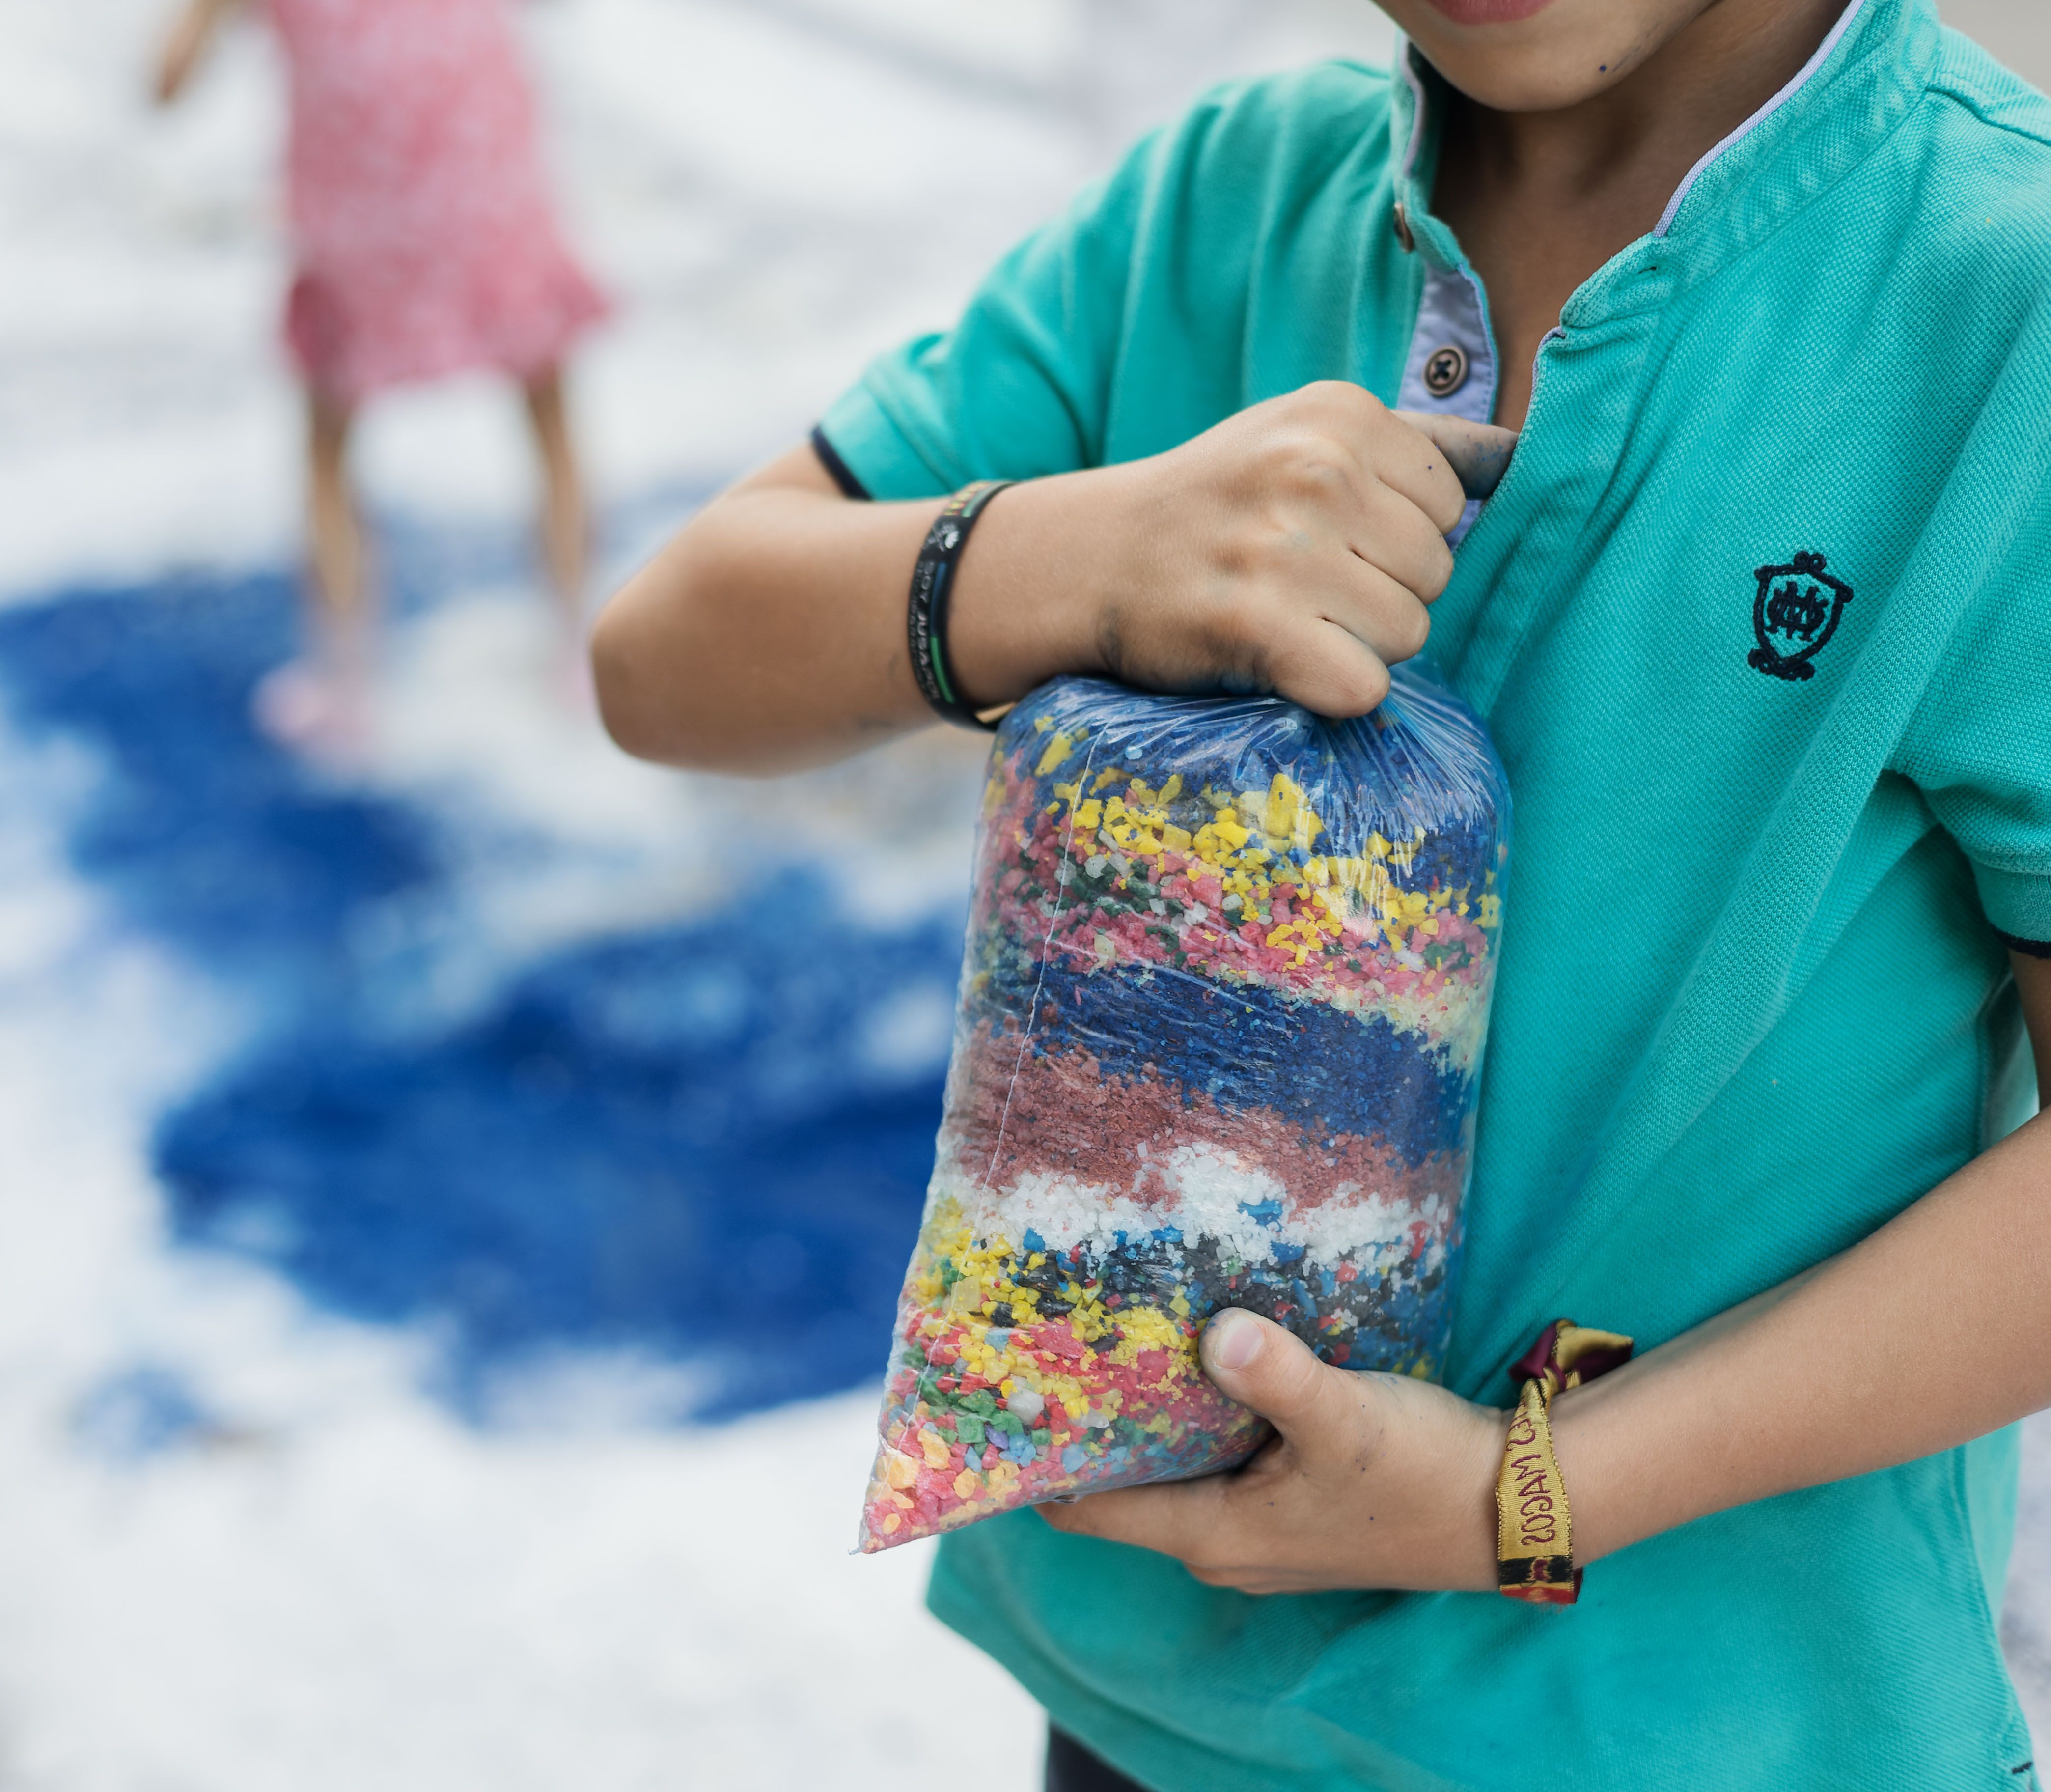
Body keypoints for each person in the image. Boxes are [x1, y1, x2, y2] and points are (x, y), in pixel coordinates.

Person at [594, 0, 2051, 1785]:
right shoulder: (1229, 194)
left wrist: (1528, 1492)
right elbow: (668, 658)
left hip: (1694, 1732)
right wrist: (1072, 555)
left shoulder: (2003, 302)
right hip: (1141, 1699)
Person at [153, 0, 609, 745]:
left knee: (329, 450)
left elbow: (164, 86)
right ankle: (577, 653)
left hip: (359, 228)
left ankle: (346, 687)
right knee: (550, 419)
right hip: (490, 192)